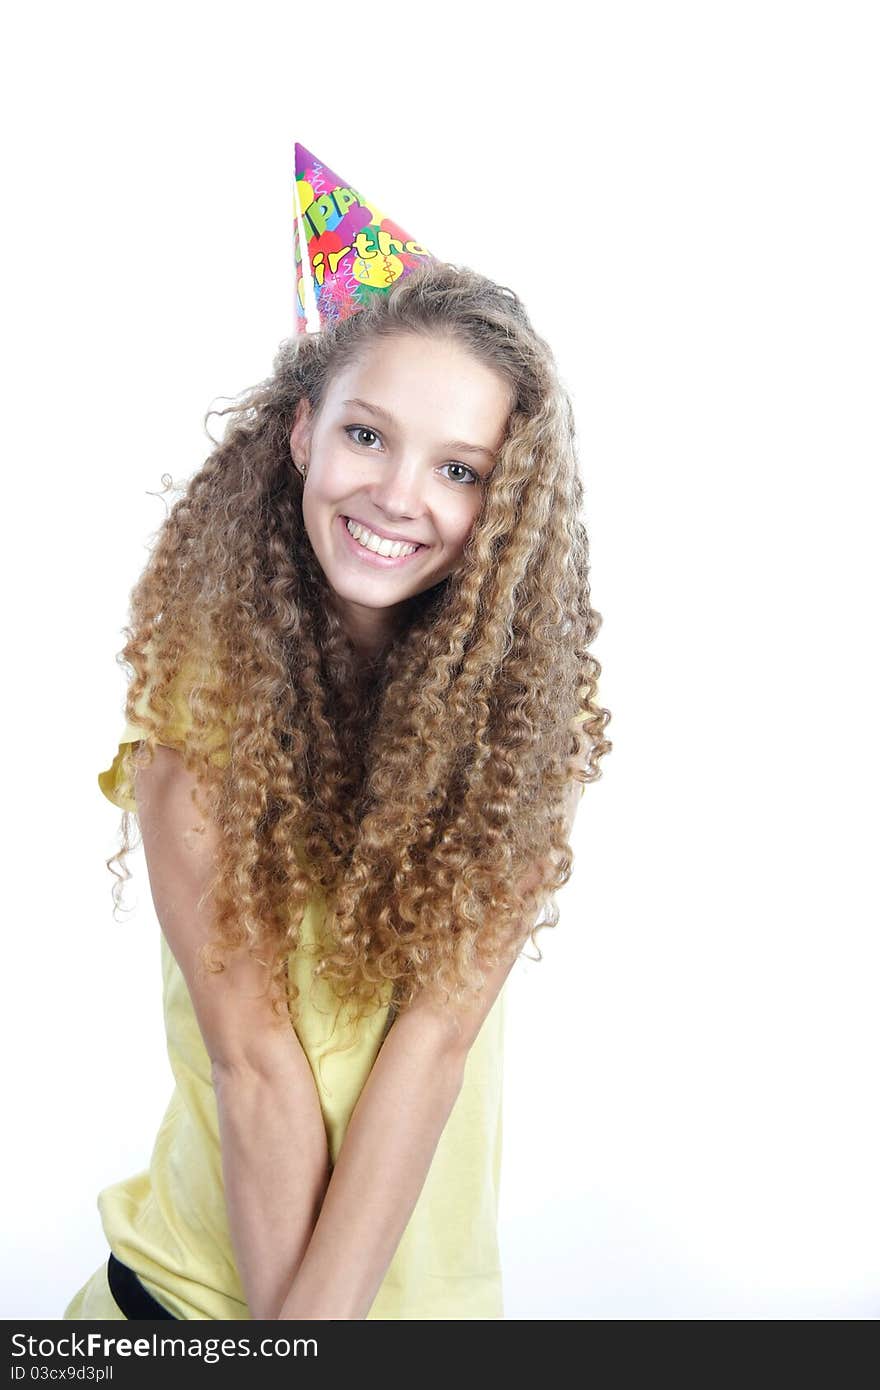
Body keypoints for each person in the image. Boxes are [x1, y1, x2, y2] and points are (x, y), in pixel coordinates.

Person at [63, 152, 611, 1322]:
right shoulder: (195, 723)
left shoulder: (519, 736)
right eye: (369, 435)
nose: (401, 494)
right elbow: (256, 1072)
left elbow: (434, 1047)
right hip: (198, 1305)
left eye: (458, 468)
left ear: (501, 508)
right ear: (302, 432)